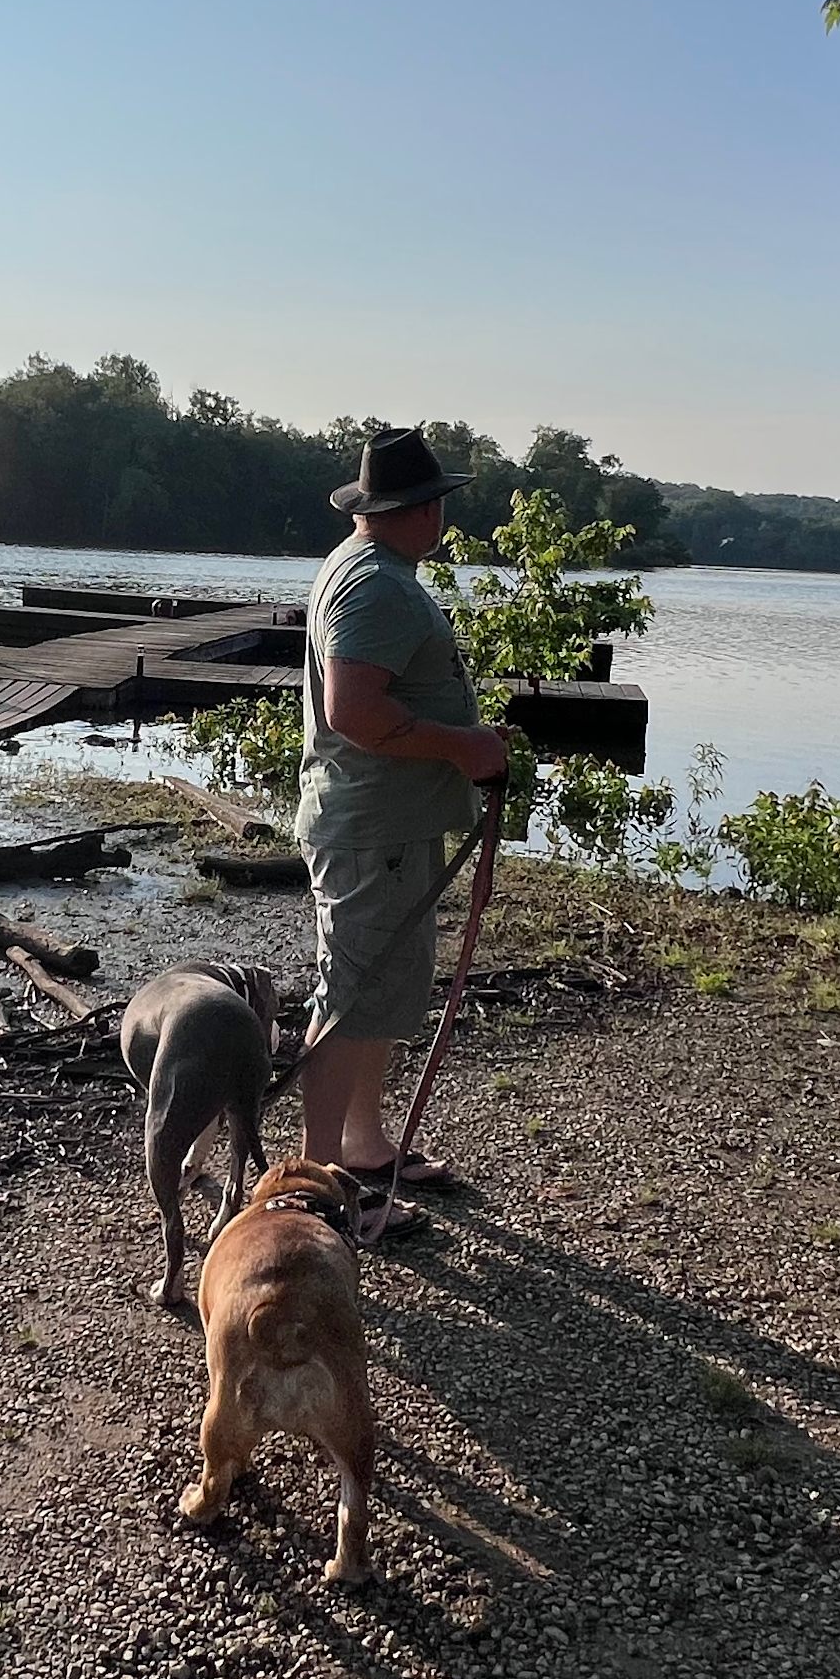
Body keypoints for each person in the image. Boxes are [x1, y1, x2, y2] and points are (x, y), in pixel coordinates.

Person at [293, 426, 509, 1202]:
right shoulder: (379, 584)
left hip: (386, 825)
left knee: (377, 991)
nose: (442, 519)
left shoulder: (366, 568)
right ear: (422, 511)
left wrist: (464, 743)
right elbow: (354, 709)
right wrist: (463, 747)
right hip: (370, 829)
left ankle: (362, 1145)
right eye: (440, 504)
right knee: (351, 995)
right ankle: (316, 1188)